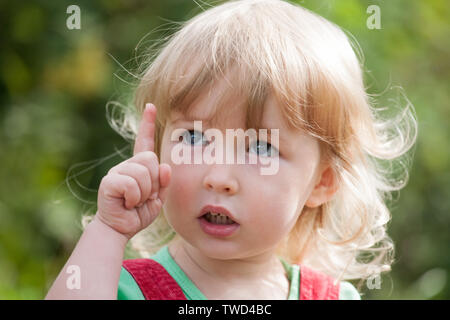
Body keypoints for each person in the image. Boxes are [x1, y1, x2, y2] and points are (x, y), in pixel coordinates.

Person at [45, 0, 417, 300]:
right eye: (193, 138)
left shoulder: (335, 297)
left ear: (322, 183)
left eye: (260, 148)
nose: (219, 177)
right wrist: (108, 230)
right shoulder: (121, 289)